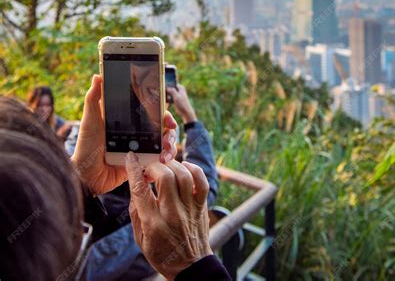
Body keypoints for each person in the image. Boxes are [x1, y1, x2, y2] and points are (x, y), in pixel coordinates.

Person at [0, 75, 231, 281]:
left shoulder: (85, 186)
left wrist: (79, 184)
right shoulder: (124, 239)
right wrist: (194, 267)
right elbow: (201, 194)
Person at [84, 81, 219, 280]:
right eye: (138, 88)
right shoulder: (146, 229)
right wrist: (190, 119)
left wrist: (82, 183)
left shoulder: (97, 164)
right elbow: (201, 192)